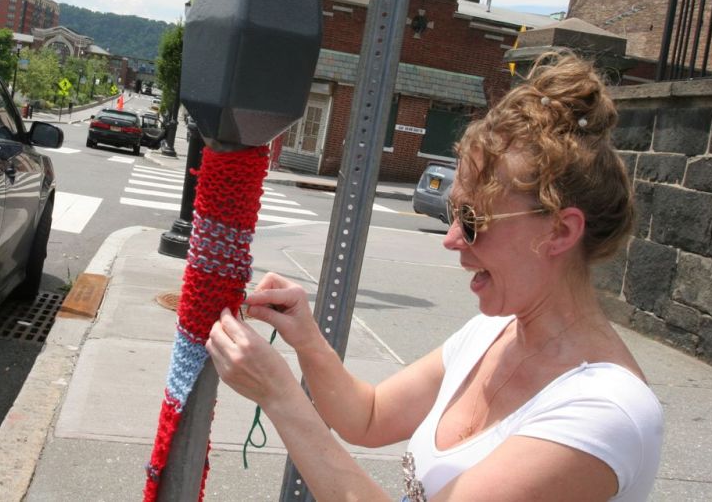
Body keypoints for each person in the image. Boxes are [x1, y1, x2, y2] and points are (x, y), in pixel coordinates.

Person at [205, 52, 664, 501]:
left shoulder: (605, 412)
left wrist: (281, 396)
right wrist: (306, 339)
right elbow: (368, 416)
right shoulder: (492, 332)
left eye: (472, 219)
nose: (451, 239)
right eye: (452, 213)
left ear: (560, 231)